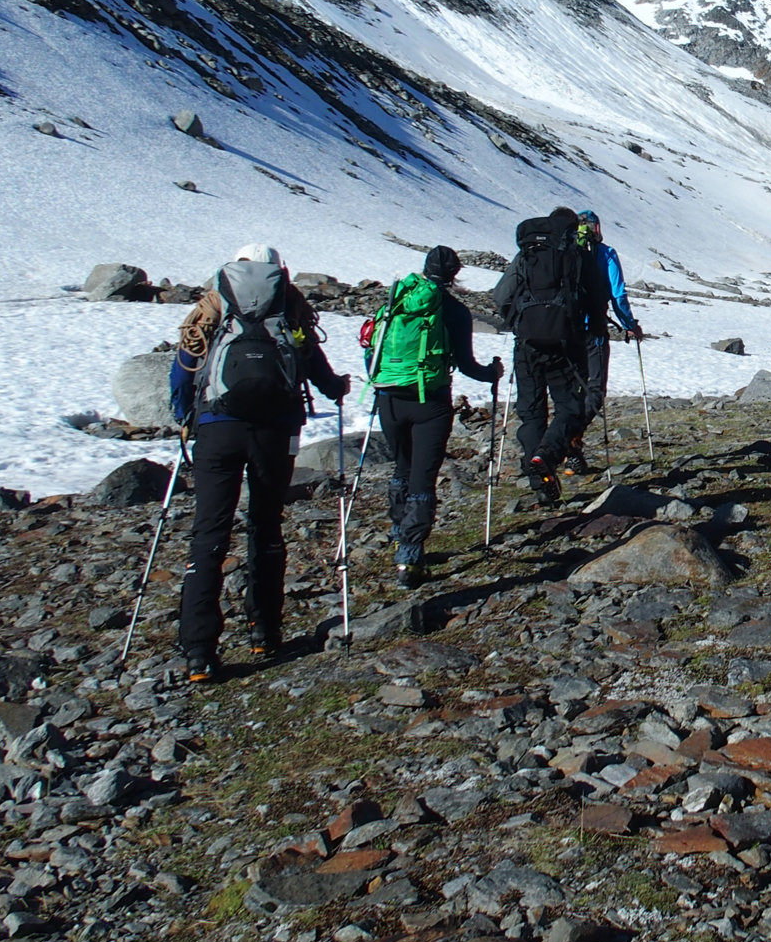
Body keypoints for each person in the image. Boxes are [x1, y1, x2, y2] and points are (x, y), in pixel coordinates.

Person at [169, 244, 349, 683]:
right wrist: (334, 387)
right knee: (266, 525)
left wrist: (183, 415)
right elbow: (310, 360)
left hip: (218, 426)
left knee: (209, 533)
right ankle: (265, 630)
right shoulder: (288, 303)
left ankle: (199, 651)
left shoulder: (214, 301)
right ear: (276, 268)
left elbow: (186, 364)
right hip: (276, 428)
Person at [366, 246, 502, 588]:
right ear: (455, 275)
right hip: (431, 402)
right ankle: (410, 557)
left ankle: (399, 534)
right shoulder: (455, 311)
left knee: (401, 469)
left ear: (425, 269)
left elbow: (373, 351)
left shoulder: (396, 301)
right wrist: (493, 373)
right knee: (423, 480)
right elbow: (468, 365)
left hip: (390, 398)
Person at [492, 207, 602, 506]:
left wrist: (518, 321)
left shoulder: (528, 254)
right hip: (566, 344)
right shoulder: (577, 255)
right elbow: (596, 298)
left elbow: (501, 295)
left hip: (527, 344)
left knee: (531, 412)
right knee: (570, 407)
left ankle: (539, 483)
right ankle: (547, 456)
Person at [563, 210, 644, 475]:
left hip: (566, 330)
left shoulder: (565, 251)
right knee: (594, 390)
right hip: (594, 329)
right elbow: (617, 293)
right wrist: (630, 326)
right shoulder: (606, 254)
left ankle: (562, 444)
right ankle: (569, 441)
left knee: (573, 389)